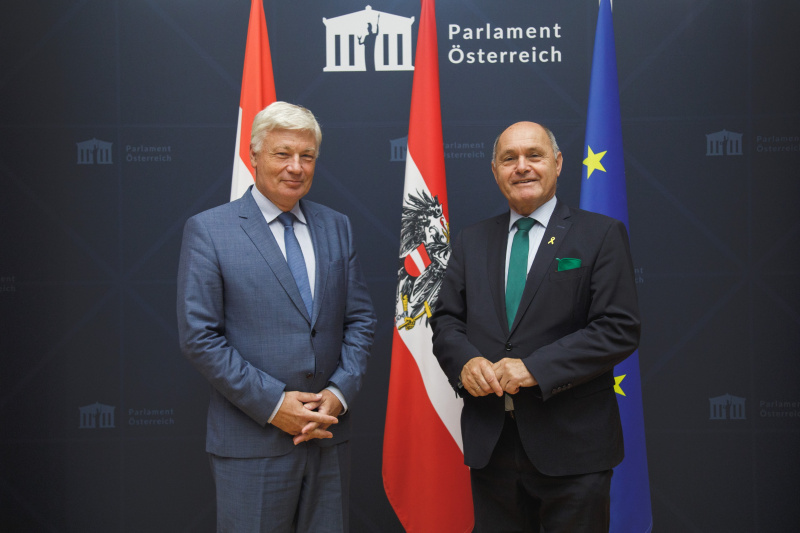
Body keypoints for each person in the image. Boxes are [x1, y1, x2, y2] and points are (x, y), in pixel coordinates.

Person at [431, 121, 641, 532]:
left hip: (574, 449)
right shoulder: (473, 241)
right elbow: (446, 321)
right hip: (492, 447)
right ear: (495, 171)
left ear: (558, 163)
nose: (522, 167)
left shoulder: (600, 235)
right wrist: (466, 362)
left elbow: (618, 327)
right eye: (509, 159)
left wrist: (534, 368)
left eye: (534, 155)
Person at [177, 101, 376, 532]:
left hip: (327, 437)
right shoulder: (210, 231)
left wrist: (339, 394)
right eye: (282, 154)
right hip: (253, 443)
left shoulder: (336, 226)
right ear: (253, 156)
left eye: (306, 156)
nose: (296, 167)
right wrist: (273, 404)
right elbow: (200, 337)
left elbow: (360, 320)